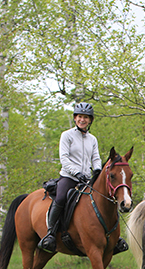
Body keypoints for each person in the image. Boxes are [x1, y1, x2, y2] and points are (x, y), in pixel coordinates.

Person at [37, 102, 128, 255]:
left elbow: (96, 158)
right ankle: (50, 234)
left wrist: (98, 170)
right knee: (60, 199)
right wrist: (77, 172)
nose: (82, 120)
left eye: (85, 117)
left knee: (107, 198)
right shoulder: (67, 135)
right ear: (75, 118)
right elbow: (64, 158)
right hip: (69, 177)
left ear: (90, 120)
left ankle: (114, 237)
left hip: (87, 178)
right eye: (80, 117)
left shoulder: (92, 139)